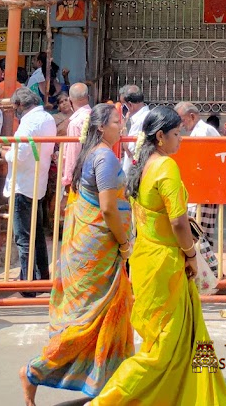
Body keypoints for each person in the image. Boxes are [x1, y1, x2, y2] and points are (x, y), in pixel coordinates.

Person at [91, 106, 226, 406]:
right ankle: (106, 401)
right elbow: (179, 222)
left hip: (146, 259)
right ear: (160, 136)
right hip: (165, 263)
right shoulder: (165, 167)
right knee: (162, 348)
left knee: (188, 334)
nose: (181, 139)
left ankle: (192, 394)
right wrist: (191, 255)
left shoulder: (141, 167)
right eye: (177, 133)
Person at [21, 104, 133, 403]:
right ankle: (35, 370)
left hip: (86, 248)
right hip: (100, 250)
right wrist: (124, 244)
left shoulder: (88, 155)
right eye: (115, 123)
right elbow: (108, 209)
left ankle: (104, 382)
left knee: (100, 314)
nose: (120, 128)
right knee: (88, 320)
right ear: (100, 128)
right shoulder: (105, 158)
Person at [5, 88, 57, 287]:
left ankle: (27, 283)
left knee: (24, 237)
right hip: (37, 181)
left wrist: (5, 155)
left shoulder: (29, 123)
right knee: (36, 234)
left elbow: (19, 155)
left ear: (19, 105)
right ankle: (41, 277)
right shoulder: (47, 118)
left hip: (23, 184)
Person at [176, 101, 220, 250]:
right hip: (201, 189)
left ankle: (206, 269)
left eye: (182, 120)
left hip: (205, 188)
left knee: (199, 232)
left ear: (192, 116)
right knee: (199, 231)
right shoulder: (199, 131)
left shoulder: (203, 131)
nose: (181, 126)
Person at [61, 83, 92, 205]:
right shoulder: (95, 116)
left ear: (70, 100)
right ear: (88, 97)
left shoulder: (76, 122)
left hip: (80, 174)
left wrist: (68, 178)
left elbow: (73, 153)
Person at [119, 84, 149, 174]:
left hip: (135, 172)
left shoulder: (140, 120)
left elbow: (130, 150)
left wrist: (124, 127)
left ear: (130, 105)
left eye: (123, 105)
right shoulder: (140, 117)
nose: (122, 108)